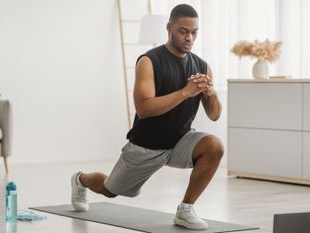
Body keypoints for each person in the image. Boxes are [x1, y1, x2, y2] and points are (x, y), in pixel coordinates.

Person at [71, 4, 223, 230]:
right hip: (146, 146)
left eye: (194, 32)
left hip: (180, 141)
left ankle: (185, 210)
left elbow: (214, 115)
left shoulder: (202, 66)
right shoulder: (149, 61)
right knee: (110, 190)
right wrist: (186, 92)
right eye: (183, 31)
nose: (189, 37)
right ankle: (80, 179)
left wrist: (210, 94)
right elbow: (144, 109)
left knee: (214, 146)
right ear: (169, 27)